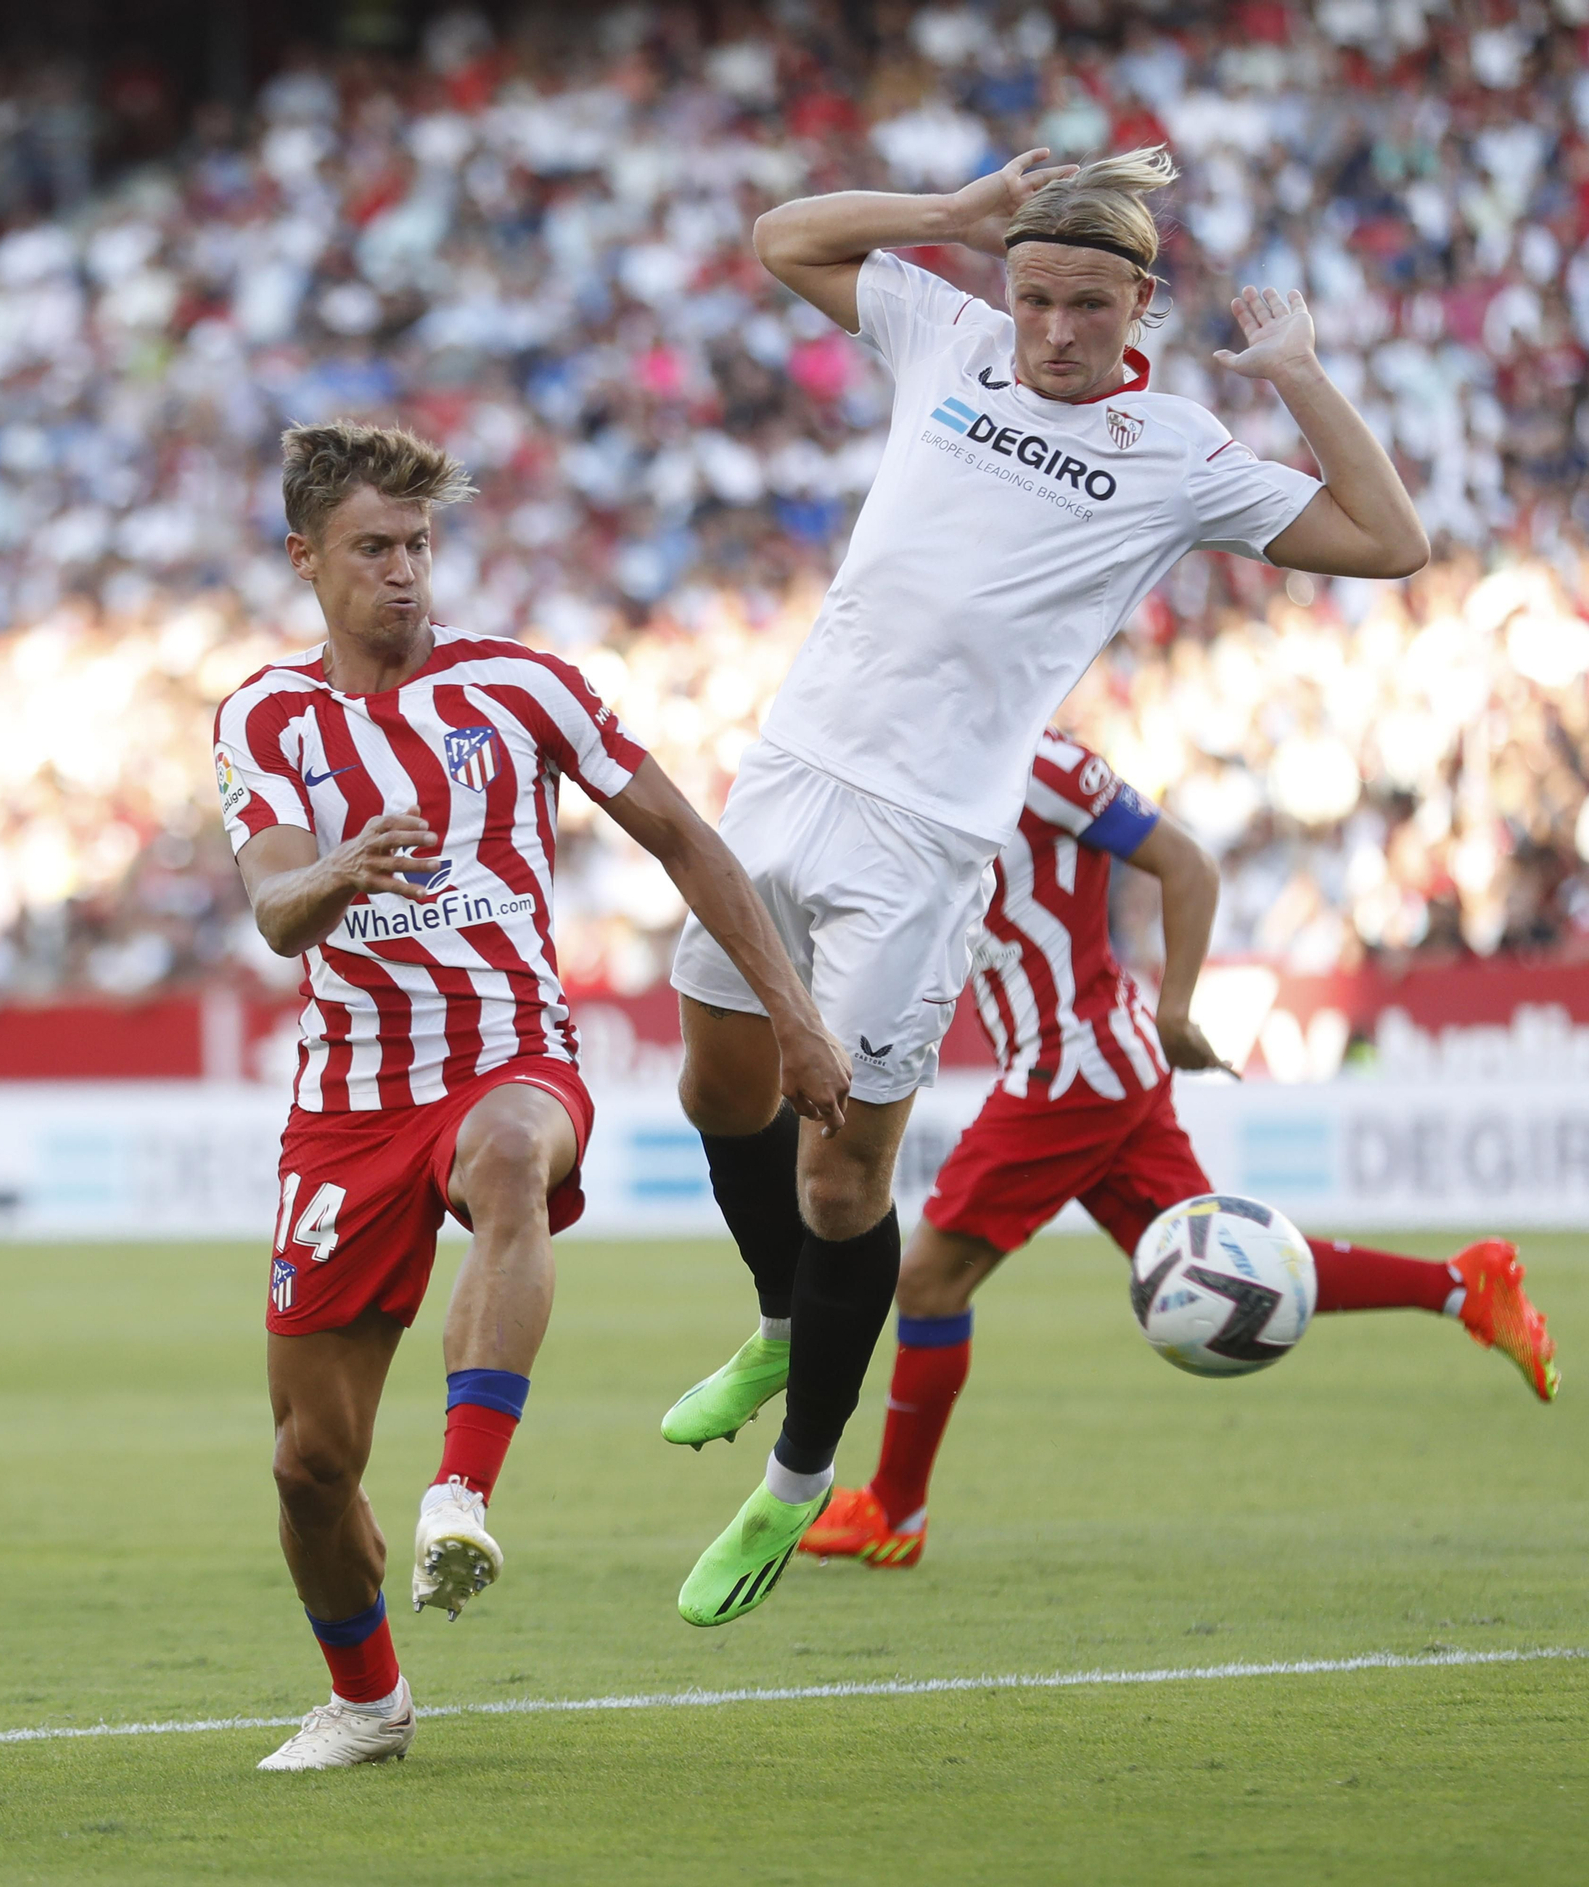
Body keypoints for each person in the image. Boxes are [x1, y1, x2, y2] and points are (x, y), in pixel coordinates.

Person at [662, 145, 1430, 1626]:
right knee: (717, 1093)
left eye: (1088, 303)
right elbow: (781, 234)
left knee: (845, 1177)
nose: (1057, 329)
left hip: (929, 839)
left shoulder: (1181, 446)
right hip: (789, 774)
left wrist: (1298, 375)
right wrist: (950, 216)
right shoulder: (949, 334)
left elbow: (1393, 543)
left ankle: (804, 1478)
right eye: (1035, 297)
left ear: (1139, 302)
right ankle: (776, 1325)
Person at [214, 420, 848, 1770]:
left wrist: (793, 1015)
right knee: (307, 1465)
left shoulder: (525, 686)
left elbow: (686, 836)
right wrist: (338, 873)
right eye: (372, 548)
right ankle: (372, 1702)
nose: (404, 572)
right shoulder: (265, 715)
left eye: (419, 545)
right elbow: (274, 903)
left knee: (511, 1155)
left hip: (509, 1054)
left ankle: (463, 1488)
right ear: (304, 559)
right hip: (349, 1103)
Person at [800, 732, 1559, 1568]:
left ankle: (895, 1513)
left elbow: (1189, 863)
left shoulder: (1041, 763)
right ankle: (1461, 1285)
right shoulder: (927, 765)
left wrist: (1177, 1008)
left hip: (1075, 1064)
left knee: (929, 1278)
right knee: (1239, 1268)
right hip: (1095, 1063)